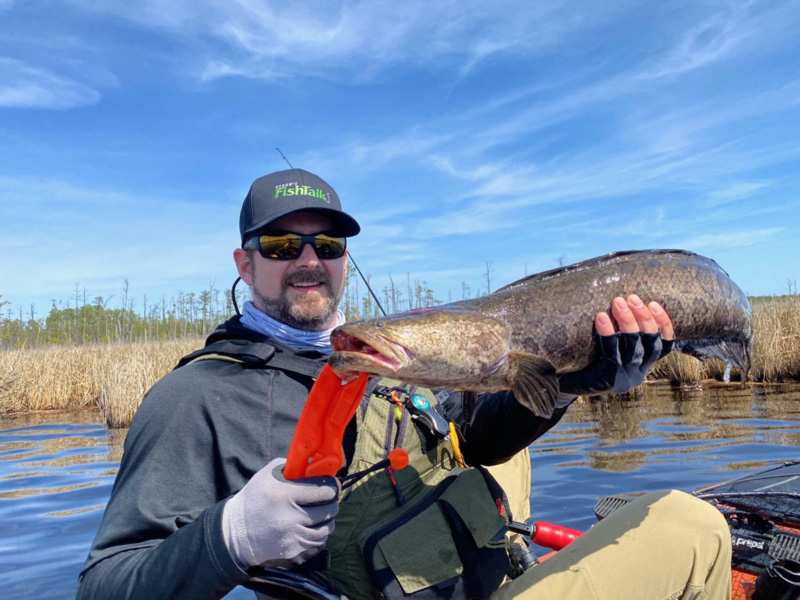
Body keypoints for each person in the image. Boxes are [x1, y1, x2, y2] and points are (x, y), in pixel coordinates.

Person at [77, 169, 732, 600]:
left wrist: (570, 383)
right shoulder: (198, 398)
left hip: (467, 568)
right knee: (692, 525)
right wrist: (230, 536)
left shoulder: (380, 362)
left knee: (502, 455)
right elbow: (104, 583)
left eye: (328, 245)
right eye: (280, 246)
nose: (308, 260)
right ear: (244, 264)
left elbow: (477, 439)